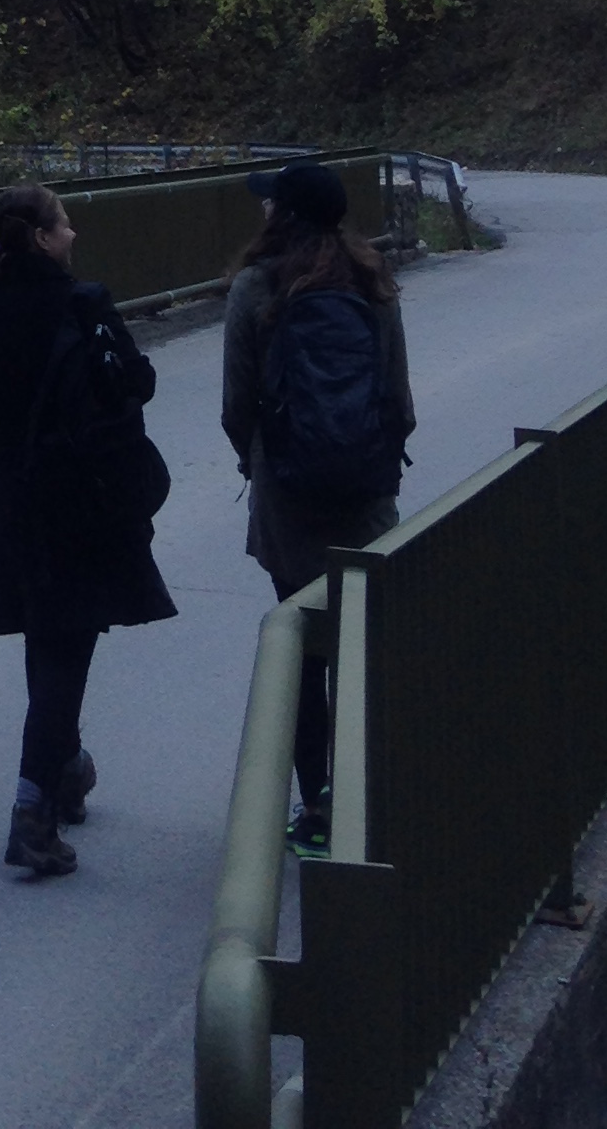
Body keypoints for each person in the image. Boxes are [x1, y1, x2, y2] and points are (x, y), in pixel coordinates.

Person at [0, 182, 176, 880]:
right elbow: (135, 384)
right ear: (45, 238)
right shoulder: (85, 305)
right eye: (66, 224)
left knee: (46, 634)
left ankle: (68, 768)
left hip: (16, 495)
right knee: (65, 650)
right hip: (83, 497)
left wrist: (8, 466)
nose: (74, 234)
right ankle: (32, 810)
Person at [221, 158, 415, 853]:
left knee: (300, 655)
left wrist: (260, 464)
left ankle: (318, 811)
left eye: (271, 201)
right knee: (360, 652)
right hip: (366, 501)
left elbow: (237, 406)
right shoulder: (373, 282)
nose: (263, 208)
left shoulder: (255, 287)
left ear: (286, 214)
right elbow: (399, 402)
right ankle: (369, 801)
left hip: (289, 504)